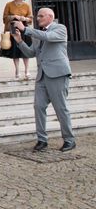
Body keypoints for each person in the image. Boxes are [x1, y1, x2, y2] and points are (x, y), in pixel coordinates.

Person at [13, 8, 76, 152]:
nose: (38, 18)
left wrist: (26, 29)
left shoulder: (60, 28)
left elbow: (48, 37)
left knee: (61, 108)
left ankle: (69, 140)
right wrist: (20, 41)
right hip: (42, 76)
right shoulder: (37, 34)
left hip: (58, 74)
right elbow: (30, 53)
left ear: (50, 17)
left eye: (41, 16)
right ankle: (42, 140)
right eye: (38, 16)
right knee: (38, 107)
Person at [0, 0, 34, 80]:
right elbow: (4, 18)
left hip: (24, 27)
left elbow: (30, 19)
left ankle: (27, 70)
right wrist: (13, 16)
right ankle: (17, 70)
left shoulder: (26, 5)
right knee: (15, 49)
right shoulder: (9, 5)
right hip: (13, 27)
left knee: (25, 50)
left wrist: (24, 19)